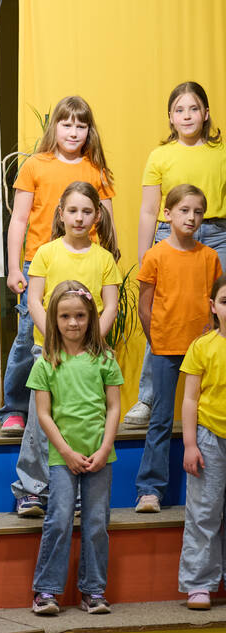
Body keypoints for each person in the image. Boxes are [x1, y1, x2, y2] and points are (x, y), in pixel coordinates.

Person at [1, 96, 115, 435]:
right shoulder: (35, 165)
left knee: (81, 334)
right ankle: (14, 408)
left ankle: (70, 406)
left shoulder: (95, 169)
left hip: (82, 262)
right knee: (29, 336)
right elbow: (19, 219)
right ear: (55, 127)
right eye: (66, 124)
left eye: (81, 125)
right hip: (39, 263)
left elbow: (107, 219)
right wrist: (14, 267)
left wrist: (110, 256)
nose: (73, 131)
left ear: (89, 130)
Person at [13, 181, 121, 518]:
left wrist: (90, 343)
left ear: (97, 216)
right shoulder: (46, 253)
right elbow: (34, 300)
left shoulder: (104, 259)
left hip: (90, 356)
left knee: (82, 418)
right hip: (49, 351)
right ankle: (31, 489)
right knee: (39, 420)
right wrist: (57, 341)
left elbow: (111, 305)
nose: (79, 217)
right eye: (72, 210)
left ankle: (75, 490)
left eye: (86, 211)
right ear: (61, 214)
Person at [128, 82, 226, 428]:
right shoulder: (160, 156)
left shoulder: (220, 153)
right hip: (168, 238)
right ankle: (149, 397)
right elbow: (148, 210)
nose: (187, 116)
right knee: (162, 317)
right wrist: (145, 253)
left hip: (217, 236)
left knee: (218, 314)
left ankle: (216, 394)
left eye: (193, 108)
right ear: (170, 117)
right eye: (179, 110)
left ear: (206, 114)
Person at [28, 281, 122, 616]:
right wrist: (66, 452)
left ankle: (93, 590)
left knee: (96, 523)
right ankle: (46, 591)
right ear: (54, 320)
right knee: (59, 520)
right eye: (65, 316)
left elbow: (114, 407)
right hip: (62, 457)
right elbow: (43, 414)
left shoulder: (105, 359)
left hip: (100, 456)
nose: (73, 323)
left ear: (91, 318)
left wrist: (105, 448)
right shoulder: (46, 362)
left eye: (80, 315)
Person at [135, 185, 222, 513]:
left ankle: (207, 488)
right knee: (160, 418)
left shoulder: (209, 257)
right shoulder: (155, 255)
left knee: (204, 417)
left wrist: (210, 341)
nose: (191, 217)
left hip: (202, 351)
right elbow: (145, 304)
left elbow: (215, 306)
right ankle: (150, 490)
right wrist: (156, 339)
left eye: (198, 212)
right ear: (168, 214)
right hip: (165, 348)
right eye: (184, 210)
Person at [178, 275, 226, 610]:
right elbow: (190, 399)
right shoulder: (202, 346)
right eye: (225, 302)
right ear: (213, 306)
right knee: (204, 512)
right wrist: (190, 444)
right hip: (209, 438)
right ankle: (199, 583)